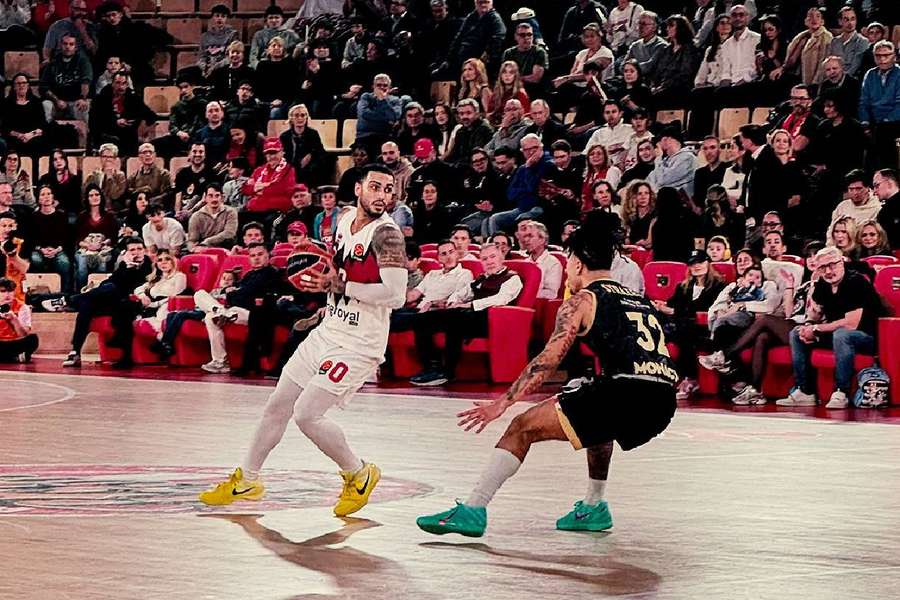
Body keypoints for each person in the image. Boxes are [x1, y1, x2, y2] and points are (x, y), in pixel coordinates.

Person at [416, 210, 677, 537]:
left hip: (625, 393)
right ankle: (594, 507)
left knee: (521, 427)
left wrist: (504, 402)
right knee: (598, 421)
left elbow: (548, 358)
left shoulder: (582, 299)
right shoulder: (637, 300)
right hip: (663, 399)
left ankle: (473, 509)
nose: (568, 269)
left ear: (578, 263)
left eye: (568, 262)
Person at [198, 163, 407, 519]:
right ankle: (247, 479)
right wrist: (324, 294)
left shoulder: (387, 235)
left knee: (308, 415)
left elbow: (396, 295)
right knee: (277, 405)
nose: (382, 195)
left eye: (389, 190)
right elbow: (340, 274)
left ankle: (358, 473)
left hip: (358, 344)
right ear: (358, 188)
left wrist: (338, 286)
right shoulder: (343, 221)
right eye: (375, 187)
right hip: (329, 330)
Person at [706, 241, 822, 405]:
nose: (811, 260)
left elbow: (814, 315)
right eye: (808, 257)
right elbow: (789, 313)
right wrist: (789, 287)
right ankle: (755, 390)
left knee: (766, 320)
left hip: (808, 327)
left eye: (816, 256)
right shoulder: (803, 285)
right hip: (792, 322)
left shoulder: (824, 283)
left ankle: (726, 355)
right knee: (762, 337)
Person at [779, 246, 886, 409]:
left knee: (842, 335)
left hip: (866, 337)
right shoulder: (823, 283)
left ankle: (841, 392)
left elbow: (851, 323)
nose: (828, 271)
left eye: (832, 265)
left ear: (841, 262)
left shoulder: (856, 282)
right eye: (822, 267)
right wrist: (808, 326)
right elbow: (815, 312)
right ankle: (805, 391)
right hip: (837, 334)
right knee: (796, 333)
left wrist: (816, 329)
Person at [409, 242, 523, 386]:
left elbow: (500, 299)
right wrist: (453, 302)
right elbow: (461, 294)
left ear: (502, 256)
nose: (489, 262)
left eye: (492, 257)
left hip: (491, 320)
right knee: (423, 319)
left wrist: (469, 304)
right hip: (469, 316)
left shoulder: (512, 278)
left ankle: (447, 372)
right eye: (485, 259)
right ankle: (431, 367)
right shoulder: (481, 279)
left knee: (454, 321)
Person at [51, 237, 152, 368]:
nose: (136, 252)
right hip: (115, 301)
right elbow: (110, 282)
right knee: (89, 304)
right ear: (125, 252)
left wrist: (128, 267)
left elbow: (133, 285)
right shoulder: (124, 265)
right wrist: (126, 266)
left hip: (132, 303)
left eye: (139, 249)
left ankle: (69, 300)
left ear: (144, 250)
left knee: (107, 290)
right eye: (132, 250)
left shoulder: (148, 265)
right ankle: (75, 352)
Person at [191, 242, 281, 374]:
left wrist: (232, 294)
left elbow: (244, 295)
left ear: (268, 255)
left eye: (260, 254)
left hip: (252, 314)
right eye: (253, 255)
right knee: (202, 301)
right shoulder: (249, 275)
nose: (256, 258)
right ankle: (221, 361)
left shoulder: (270, 273)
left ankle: (221, 312)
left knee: (214, 314)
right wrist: (233, 294)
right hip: (233, 310)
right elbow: (237, 293)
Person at [653, 249, 726, 400]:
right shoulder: (683, 286)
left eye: (700, 262)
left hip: (704, 329)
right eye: (693, 264)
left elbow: (705, 309)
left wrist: (673, 311)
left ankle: (689, 378)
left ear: (708, 263)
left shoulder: (719, 286)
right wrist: (661, 305)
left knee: (684, 329)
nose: (696, 266)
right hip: (682, 326)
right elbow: (672, 303)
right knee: (664, 326)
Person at [859, 43, 900, 170]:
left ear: (895, 56)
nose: (882, 59)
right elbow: (864, 101)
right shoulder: (870, 74)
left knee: (882, 135)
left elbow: (899, 104)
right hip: (873, 121)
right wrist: (865, 123)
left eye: (886, 55)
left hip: (894, 121)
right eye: (878, 56)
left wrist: (885, 121)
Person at [73, 184, 118, 289]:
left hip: (103, 249)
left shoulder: (109, 217)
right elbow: (77, 239)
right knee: (82, 263)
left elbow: (113, 237)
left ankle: (98, 292)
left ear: (101, 197)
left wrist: (101, 244)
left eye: (97, 194)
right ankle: (81, 293)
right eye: (91, 195)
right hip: (84, 249)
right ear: (87, 199)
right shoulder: (81, 217)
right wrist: (89, 246)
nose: (94, 197)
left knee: (101, 262)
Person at [30, 185, 72, 292]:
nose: (46, 197)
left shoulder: (62, 216)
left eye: (49, 194)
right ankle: (38, 292)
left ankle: (65, 293)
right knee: (35, 260)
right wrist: (41, 249)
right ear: (39, 199)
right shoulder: (33, 217)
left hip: (57, 249)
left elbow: (66, 238)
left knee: (64, 262)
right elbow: (32, 238)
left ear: (53, 197)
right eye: (43, 194)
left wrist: (56, 250)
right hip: (39, 250)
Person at [279, 104, 329, 186]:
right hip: (291, 168)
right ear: (291, 118)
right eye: (296, 115)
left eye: (303, 115)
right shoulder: (284, 136)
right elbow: (284, 158)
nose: (300, 118)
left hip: (310, 170)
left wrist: (310, 156)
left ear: (306, 117)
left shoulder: (313, 134)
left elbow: (320, 152)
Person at [187, 183, 239, 251]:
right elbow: (192, 240)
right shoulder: (196, 216)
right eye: (210, 196)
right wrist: (193, 249)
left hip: (226, 248)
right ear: (205, 198)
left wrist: (207, 241)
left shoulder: (230, 212)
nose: (214, 199)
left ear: (222, 198)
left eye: (217, 196)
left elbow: (229, 233)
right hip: (204, 250)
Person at [0, 277, 38, 363]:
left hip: (14, 342)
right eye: (3, 291)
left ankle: (10, 356)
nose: (7, 294)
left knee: (33, 339)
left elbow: (23, 334)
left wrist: (14, 320)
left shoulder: (23, 307)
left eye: (10, 291)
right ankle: (13, 357)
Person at [81, 143, 127, 213]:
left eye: (110, 157)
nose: (107, 159)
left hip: (112, 211)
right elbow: (84, 192)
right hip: (94, 209)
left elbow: (115, 196)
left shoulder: (120, 176)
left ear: (115, 159)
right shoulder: (93, 175)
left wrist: (110, 178)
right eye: (104, 156)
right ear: (100, 158)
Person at [523, 221, 562, 299]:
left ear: (542, 239)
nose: (526, 240)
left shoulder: (553, 263)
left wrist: (526, 293)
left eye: (530, 236)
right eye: (525, 236)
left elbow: (551, 294)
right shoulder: (524, 263)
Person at [874, 169, 899, 248]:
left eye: (877, 185)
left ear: (889, 184)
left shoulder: (886, 212)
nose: (874, 191)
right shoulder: (884, 210)